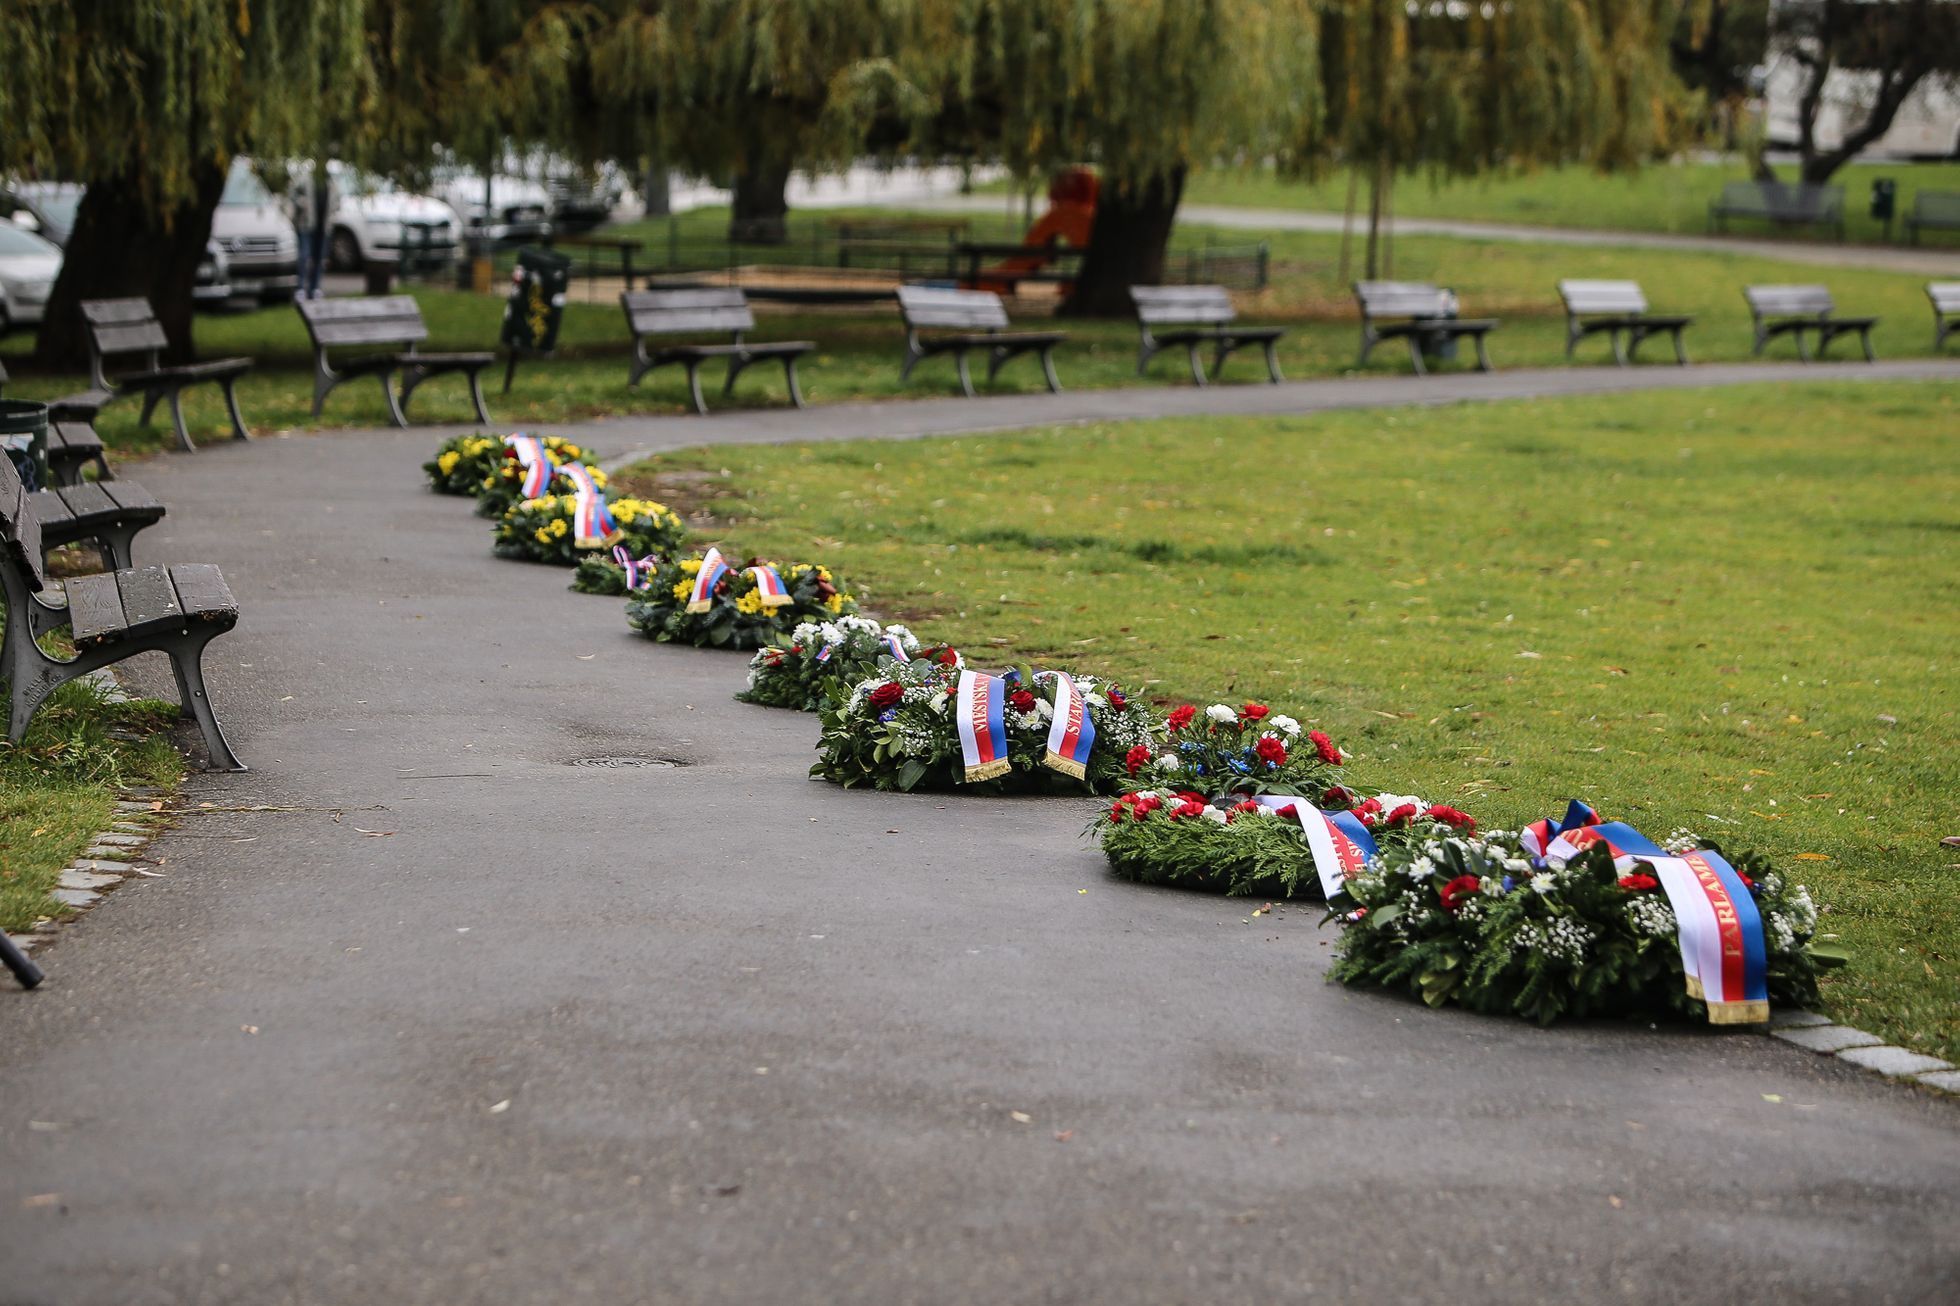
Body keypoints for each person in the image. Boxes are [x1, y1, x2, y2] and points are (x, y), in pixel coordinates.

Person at [287, 161, 335, 300]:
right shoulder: (306, 179)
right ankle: (301, 287)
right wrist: (301, 203)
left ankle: (315, 288)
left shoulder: (330, 183)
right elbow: (293, 193)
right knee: (304, 256)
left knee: (319, 258)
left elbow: (336, 201)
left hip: (323, 226)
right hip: (307, 225)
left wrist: (332, 215)